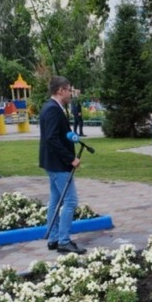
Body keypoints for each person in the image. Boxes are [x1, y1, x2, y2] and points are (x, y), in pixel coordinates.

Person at [40, 76, 86, 255]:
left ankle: (53, 238)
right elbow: (51, 138)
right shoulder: (52, 109)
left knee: (55, 200)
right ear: (60, 90)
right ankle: (64, 241)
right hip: (58, 163)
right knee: (70, 201)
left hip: (52, 162)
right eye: (69, 90)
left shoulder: (52, 107)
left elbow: (56, 135)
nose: (70, 93)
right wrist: (70, 158)